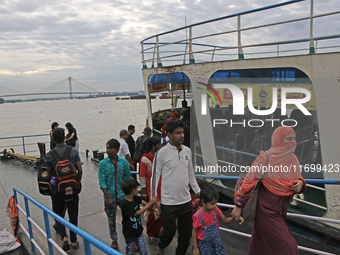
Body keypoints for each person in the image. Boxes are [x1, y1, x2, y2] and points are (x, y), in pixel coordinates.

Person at [231, 126, 306, 255]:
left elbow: (298, 179)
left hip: (281, 212)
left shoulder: (293, 160)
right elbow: (248, 182)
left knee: (260, 245)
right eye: (288, 139)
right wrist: (238, 206)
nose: (293, 142)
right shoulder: (265, 159)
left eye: (294, 138)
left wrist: (301, 184)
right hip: (265, 212)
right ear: (278, 140)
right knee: (288, 246)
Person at [151, 118, 201, 255]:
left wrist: (198, 192)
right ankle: (161, 246)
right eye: (178, 133)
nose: (182, 135)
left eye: (182, 132)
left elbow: (191, 174)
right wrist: (153, 201)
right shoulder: (161, 153)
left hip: (185, 201)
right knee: (168, 232)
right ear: (169, 135)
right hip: (168, 202)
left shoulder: (187, 151)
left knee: (185, 234)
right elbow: (154, 177)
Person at [45, 128, 82, 251]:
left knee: (58, 212)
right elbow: (80, 170)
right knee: (73, 213)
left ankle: (63, 236)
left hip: (58, 189)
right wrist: (78, 182)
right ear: (65, 137)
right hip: (73, 187)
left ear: (53, 139)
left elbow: (49, 174)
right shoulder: (73, 151)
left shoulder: (49, 155)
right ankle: (74, 241)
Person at [98, 138, 132, 250]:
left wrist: (130, 194)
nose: (108, 150)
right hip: (109, 196)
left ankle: (131, 240)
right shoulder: (103, 164)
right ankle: (114, 239)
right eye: (107, 148)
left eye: (111, 148)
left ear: (117, 150)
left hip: (123, 196)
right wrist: (107, 197)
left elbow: (128, 178)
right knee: (111, 220)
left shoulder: (123, 163)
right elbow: (102, 181)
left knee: (128, 219)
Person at [192, 186, 244, 255]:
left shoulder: (215, 210)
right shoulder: (197, 216)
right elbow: (194, 232)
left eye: (216, 203)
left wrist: (234, 218)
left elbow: (225, 220)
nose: (215, 205)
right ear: (203, 202)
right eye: (212, 203)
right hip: (204, 245)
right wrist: (196, 248)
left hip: (216, 242)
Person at [121, 178, 158, 255]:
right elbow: (138, 213)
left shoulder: (136, 198)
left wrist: (154, 208)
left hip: (138, 231)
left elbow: (145, 204)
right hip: (129, 233)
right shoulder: (125, 204)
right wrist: (149, 204)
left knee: (143, 249)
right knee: (130, 250)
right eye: (137, 188)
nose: (138, 190)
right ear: (133, 190)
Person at [139, 137, 162, 244]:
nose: (160, 147)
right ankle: (150, 233)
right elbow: (142, 176)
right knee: (152, 213)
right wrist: (144, 191)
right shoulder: (145, 159)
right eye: (158, 145)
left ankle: (157, 231)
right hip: (150, 190)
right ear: (153, 146)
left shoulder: (160, 157)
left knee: (160, 211)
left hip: (161, 189)